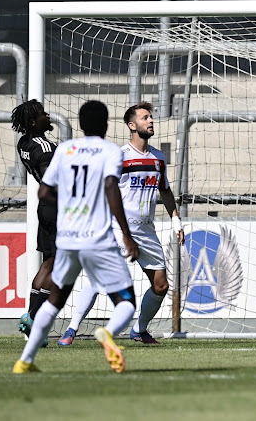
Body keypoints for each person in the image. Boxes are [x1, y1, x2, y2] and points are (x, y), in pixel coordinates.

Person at [13, 100, 139, 374]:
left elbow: (44, 192)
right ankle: (108, 333)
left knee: (56, 299)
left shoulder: (65, 149)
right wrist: (127, 236)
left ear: (80, 125)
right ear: (106, 124)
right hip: (97, 237)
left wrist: (70, 203)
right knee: (127, 302)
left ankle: (25, 360)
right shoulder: (110, 151)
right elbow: (110, 188)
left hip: (67, 234)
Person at [58, 102, 185, 345]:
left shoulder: (159, 158)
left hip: (147, 230)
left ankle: (139, 329)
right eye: (145, 117)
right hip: (118, 228)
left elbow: (165, 191)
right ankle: (71, 329)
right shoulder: (120, 156)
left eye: (151, 117)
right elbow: (106, 189)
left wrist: (176, 220)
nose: (150, 121)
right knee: (98, 279)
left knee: (160, 285)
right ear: (132, 125)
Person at [11, 100, 58, 347]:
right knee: (57, 267)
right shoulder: (44, 146)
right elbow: (52, 181)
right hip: (58, 207)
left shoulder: (24, 143)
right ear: (33, 122)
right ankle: (35, 320)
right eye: (42, 114)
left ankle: (31, 321)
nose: (47, 115)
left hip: (46, 210)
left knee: (48, 264)